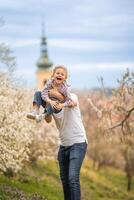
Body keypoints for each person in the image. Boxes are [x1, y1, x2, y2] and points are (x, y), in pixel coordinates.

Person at [45, 92, 88, 200]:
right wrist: (47, 105)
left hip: (78, 143)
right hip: (64, 145)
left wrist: (62, 104)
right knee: (65, 180)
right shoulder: (51, 104)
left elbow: (72, 103)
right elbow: (48, 120)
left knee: (73, 178)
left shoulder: (71, 96)